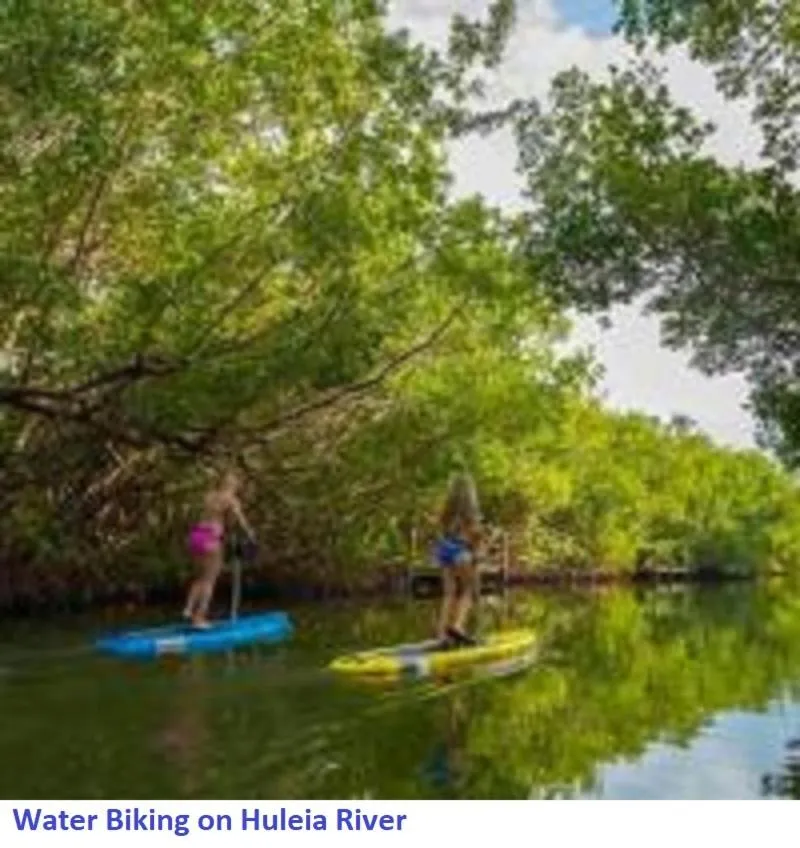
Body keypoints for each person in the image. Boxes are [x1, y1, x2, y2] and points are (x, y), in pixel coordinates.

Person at [182, 469, 256, 629]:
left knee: (200, 576)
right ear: (235, 485)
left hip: (196, 536)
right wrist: (250, 534)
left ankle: (188, 608)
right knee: (210, 580)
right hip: (211, 538)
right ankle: (199, 618)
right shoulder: (231, 500)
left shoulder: (209, 496)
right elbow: (240, 521)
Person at [434, 472, 483, 648]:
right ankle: (457, 626)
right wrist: (477, 554)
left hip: (443, 549)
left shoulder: (446, 510)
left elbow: (439, 529)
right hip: (460, 550)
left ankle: (442, 636)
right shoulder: (470, 511)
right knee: (469, 589)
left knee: (450, 593)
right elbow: (474, 535)